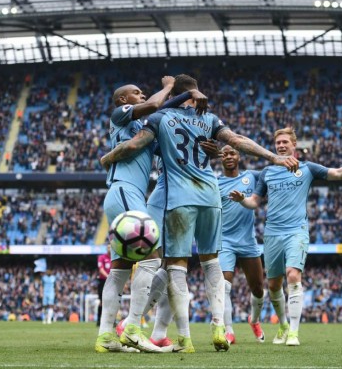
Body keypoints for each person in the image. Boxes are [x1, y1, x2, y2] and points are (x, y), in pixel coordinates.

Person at [100, 74, 298, 353]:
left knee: (172, 265)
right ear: (193, 96)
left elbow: (135, 145)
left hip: (176, 196)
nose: (146, 96)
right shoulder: (210, 120)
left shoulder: (159, 119)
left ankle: (175, 335)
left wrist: (108, 157)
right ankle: (218, 326)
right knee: (210, 263)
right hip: (209, 193)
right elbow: (237, 140)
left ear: (175, 96)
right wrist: (274, 158)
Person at [230, 127, 342, 346]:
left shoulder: (308, 168)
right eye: (278, 142)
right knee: (273, 285)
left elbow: (336, 173)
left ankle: (294, 334)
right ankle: (283, 326)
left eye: (285, 142)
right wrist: (242, 198)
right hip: (272, 234)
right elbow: (254, 202)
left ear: (294, 145)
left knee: (293, 275)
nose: (280, 145)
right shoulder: (268, 172)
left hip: (296, 231)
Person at [95, 76, 207, 354]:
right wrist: (170, 86)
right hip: (124, 191)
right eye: (136, 92)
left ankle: (105, 337)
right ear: (123, 100)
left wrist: (188, 98)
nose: (142, 94)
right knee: (152, 259)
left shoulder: (142, 129)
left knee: (120, 268)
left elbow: (172, 147)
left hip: (128, 195)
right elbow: (157, 103)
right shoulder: (119, 116)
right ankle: (132, 330)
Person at [213, 145, 266, 344]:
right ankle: (229, 331)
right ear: (220, 158)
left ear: (239, 156)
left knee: (258, 288)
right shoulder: (215, 182)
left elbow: (274, 174)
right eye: (224, 153)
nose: (228, 156)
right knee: (224, 286)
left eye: (232, 153)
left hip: (247, 241)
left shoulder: (252, 176)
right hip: (225, 240)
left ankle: (254, 320)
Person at [96, 244, 111, 327]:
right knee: (102, 302)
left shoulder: (114, 259)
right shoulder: (101, 257)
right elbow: (101, 269)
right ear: (106, 248)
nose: (109, 248)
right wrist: (108, 276)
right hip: (103, 281)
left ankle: (111, 320)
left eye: (110, 247)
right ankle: (99, 320)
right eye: (108, 247)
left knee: (112, 301)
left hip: (112, 282)